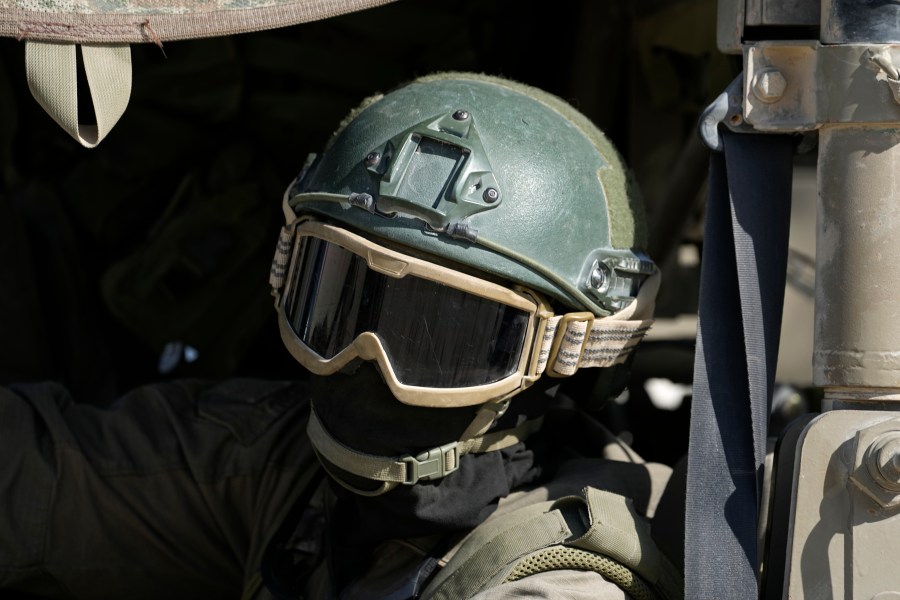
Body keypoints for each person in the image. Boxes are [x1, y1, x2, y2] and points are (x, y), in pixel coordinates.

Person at [0, 73, 683, 600]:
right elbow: (40, 477)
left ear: (565, 358)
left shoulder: (560, 583)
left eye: (442, 337)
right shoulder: (290, 468)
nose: (367, 359)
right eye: (340, 298)